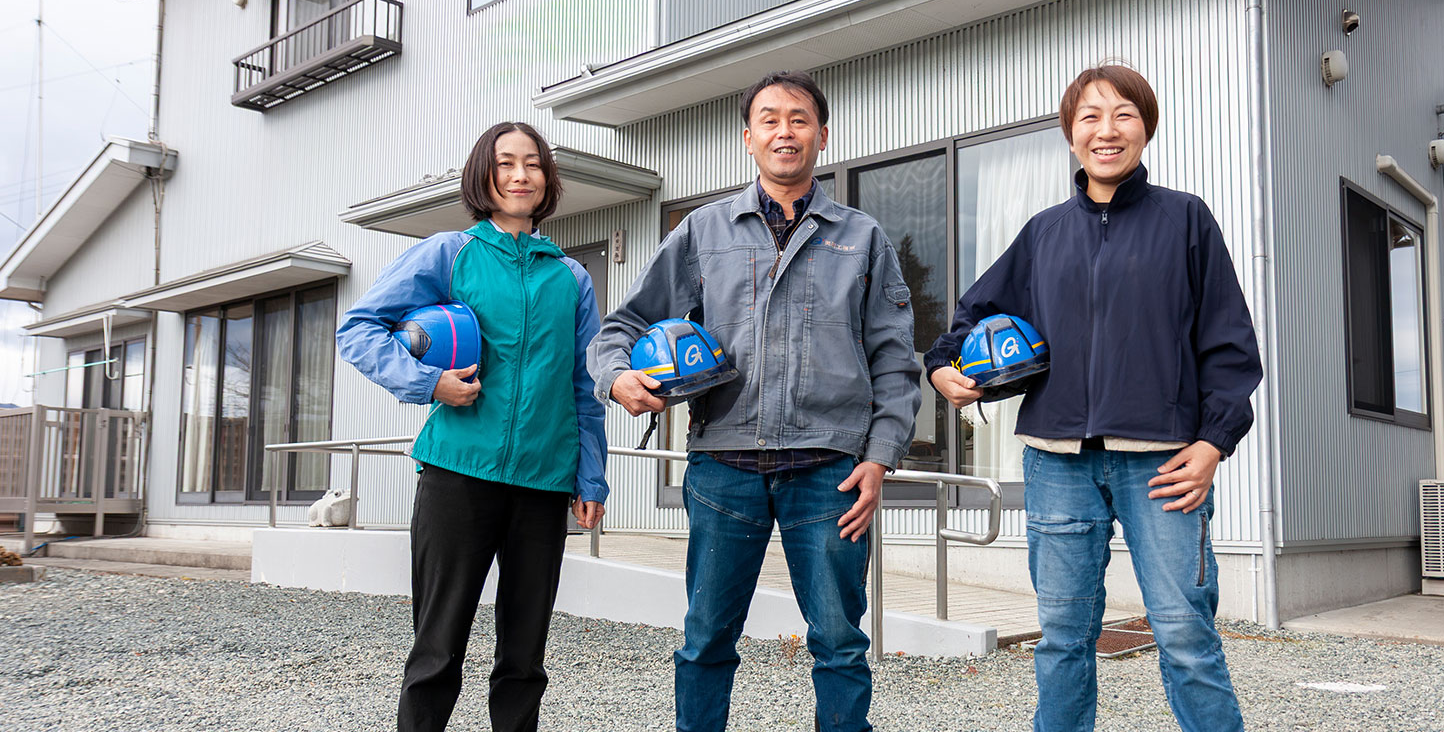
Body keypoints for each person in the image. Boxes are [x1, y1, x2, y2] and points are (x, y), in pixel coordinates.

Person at [926, 64, 1262, 732]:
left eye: (1123, 115)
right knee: (1061, 639)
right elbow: (968, 321)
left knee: (1184, 636)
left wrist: (1212, 444)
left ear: (1146, 128)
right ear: (1071, 135)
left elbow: (1230, 346)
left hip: (1164, 462)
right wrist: (943, 368)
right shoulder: (1044, 232)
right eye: (1090, 117)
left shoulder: (1186, 220)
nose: (1106, 130)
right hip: (1057, 462)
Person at [587, 70, 921, 732]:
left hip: (832, 469)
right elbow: (619, 329)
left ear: (822, 135)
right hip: (723, 465)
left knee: (839, 641)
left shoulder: (861, 237)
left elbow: (895, 359)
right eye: (769, 119)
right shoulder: (703, 231)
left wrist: (880, 457)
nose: (784, 131)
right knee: (706, 637)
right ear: (748, 138)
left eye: (799, 119)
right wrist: (618, 379)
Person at [337, 121, 608, 732]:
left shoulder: (571, 278)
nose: (519, 175)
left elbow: (582, 388)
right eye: (505, 162)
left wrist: (590, 478)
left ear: (547, 180)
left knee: (525, 658)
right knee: (437, 649)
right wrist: (427, 383)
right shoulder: (448, 252)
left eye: (532, 164)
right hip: (458, 473)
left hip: (543, 482)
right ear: (484, 173)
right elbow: (358, 329)